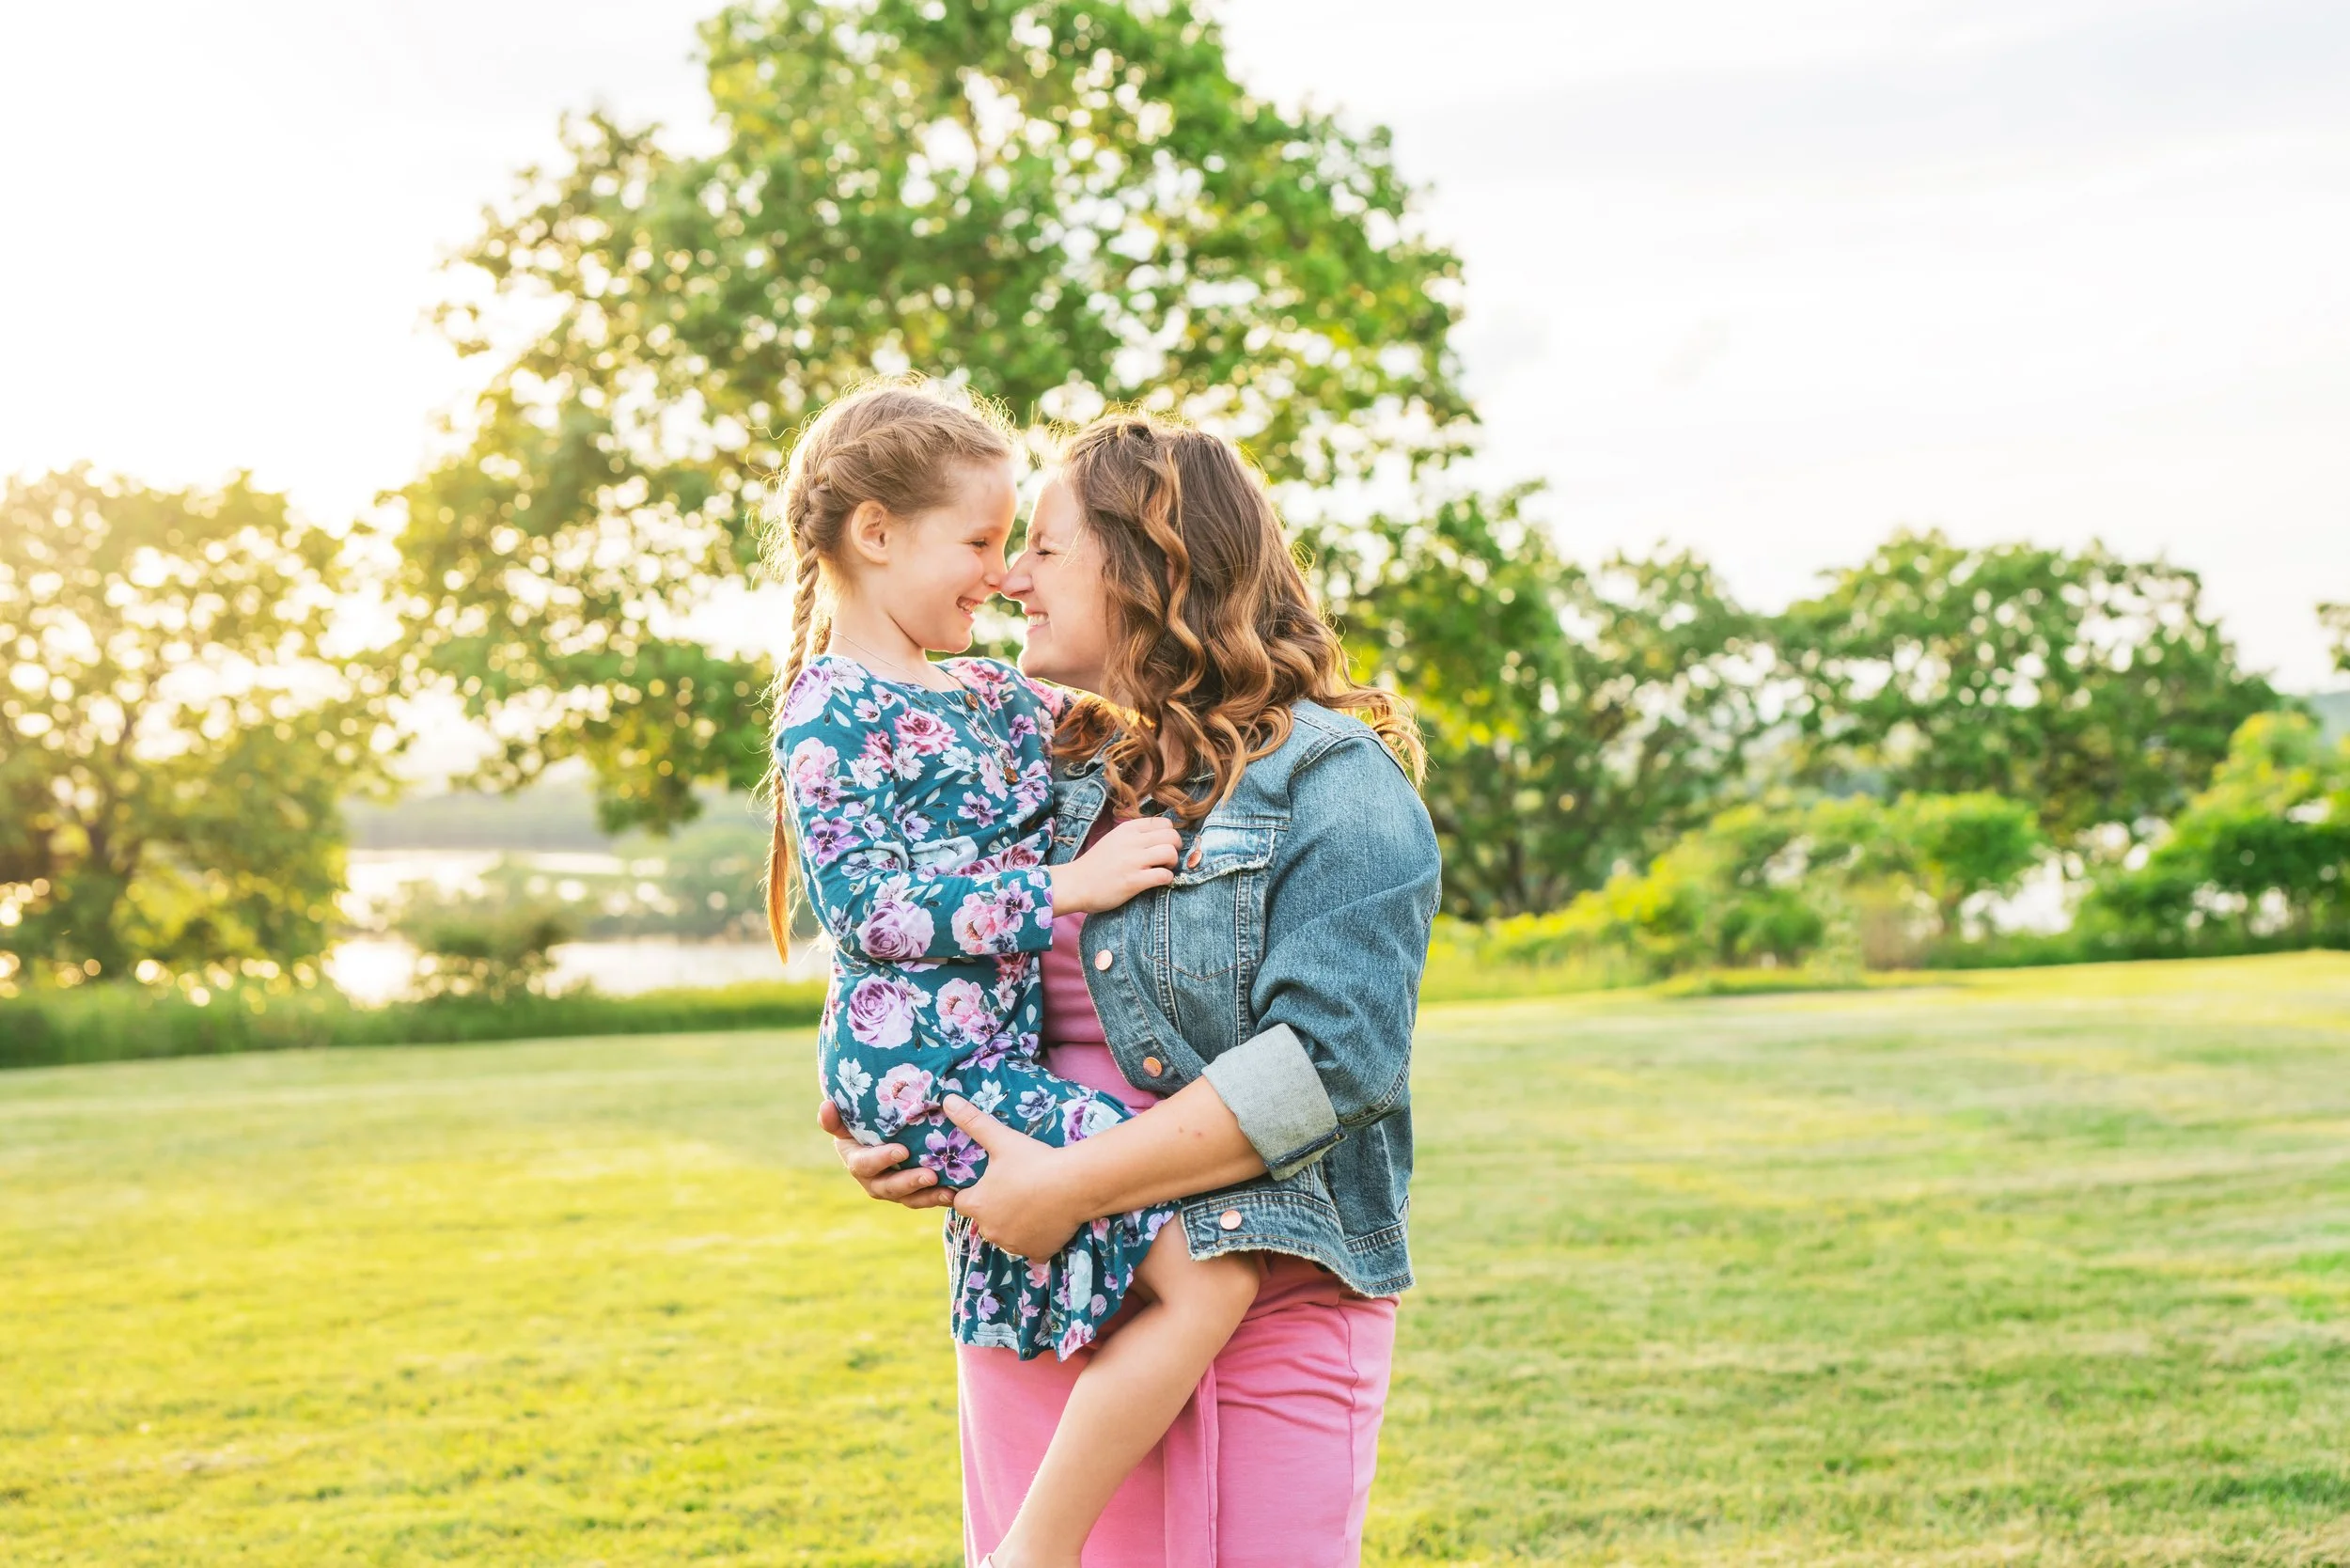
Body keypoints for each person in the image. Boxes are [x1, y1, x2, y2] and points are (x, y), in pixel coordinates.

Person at [821, 412, 1443, 1566]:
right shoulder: (1054, 770)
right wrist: (908, 1116)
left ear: (1147, 562)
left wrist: (1069, 1182)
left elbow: (1330, 1063)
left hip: (1257, 1293)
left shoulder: (1331, 782)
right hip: (1040, 1290)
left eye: (1043, 549)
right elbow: (922, 933)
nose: (1010, 579)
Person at [763, 381, 1261, 1568]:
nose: (1001, 574)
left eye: (1015, 545)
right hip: (928, 1074)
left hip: (983, 1063)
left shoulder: (986, 693)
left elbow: (1150, 703)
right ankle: (1031, 1554)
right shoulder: (830, 714)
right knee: (1210, 1277)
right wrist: (1065, 891)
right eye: (980, 544)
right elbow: (870, 913)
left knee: (1175, 1280)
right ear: (875, 534)